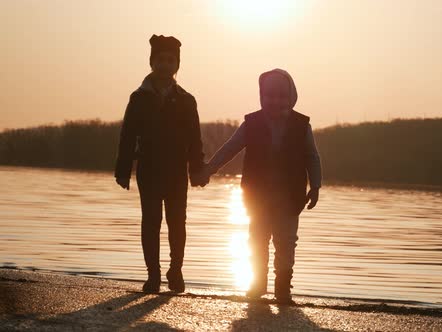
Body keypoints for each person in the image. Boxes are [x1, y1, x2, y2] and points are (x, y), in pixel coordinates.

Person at [195, 68, 322, 304]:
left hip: (290, 196)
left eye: (282, 95)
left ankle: (283, 287)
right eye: (269, 95)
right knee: (257, 239)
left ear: (291, 97)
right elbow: (230, 148)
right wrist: (209, 169)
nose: (275, 100)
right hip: (257, 195)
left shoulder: (301, 125)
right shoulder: (251, 123)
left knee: (286, 241)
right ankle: (257, 284)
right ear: (261, 96)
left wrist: (315, 186)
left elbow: (312, 156)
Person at [114, 34, 207, 293]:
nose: (165, 65)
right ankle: (153, 275)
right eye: (160, 60)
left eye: (170, 60)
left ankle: (175, 271)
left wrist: (197, 168)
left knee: (178, 222)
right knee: (151, 221)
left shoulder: (187, 100)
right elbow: (128, 135)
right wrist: (123, 170)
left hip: (177, 171)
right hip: (149, 169)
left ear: (177, 65)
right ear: (152, 62)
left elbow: (194, 138)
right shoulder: (139, 98)